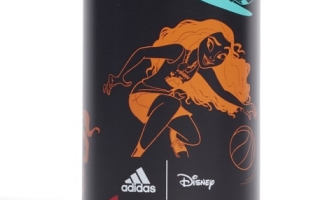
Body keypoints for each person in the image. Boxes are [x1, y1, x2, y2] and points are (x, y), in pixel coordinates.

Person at [103, 19, 256, 157]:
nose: (213, 60)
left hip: (163, 103)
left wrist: (243, 105)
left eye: (221, 57)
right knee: (172, 102)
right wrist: (120, 77)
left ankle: (174, 136)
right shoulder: (178, 52)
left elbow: (221, 91)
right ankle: (137, 153)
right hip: (141, 96)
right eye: (212, 49)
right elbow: (142, 53)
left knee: (193, 138)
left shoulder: (202, 69)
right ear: (205, 42)